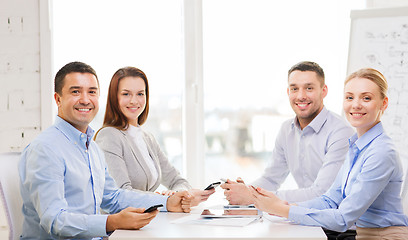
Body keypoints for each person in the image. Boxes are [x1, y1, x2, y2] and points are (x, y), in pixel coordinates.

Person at [18, 62, 192, 239]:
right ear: (58, 99)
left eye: (92, 92)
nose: (85, 99)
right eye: (75, 91)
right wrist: (112, 222)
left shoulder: (91, 148)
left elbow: (113, 197)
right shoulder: (45, 149)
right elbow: (55, 221)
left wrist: (167, 202)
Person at [250, 68, 408, 240]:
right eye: (349, 97)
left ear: (384, 103)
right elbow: (330, 200)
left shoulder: (381, 152)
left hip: (385, 237)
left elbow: (342, 219)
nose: (355, 104)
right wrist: (285, 205)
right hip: (363, 235)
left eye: (366, 98)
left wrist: (282, 209)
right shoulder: (357, 146)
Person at [221, 61, 354, 203]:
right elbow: (271, 179)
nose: (301, 96)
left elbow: (322, 193)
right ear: (288, 92)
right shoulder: (286, 130)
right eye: (294, 89)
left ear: (324, 91)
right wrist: (245, 191)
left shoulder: (341, 132)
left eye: (309, 88)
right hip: (306, 216)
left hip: (335, 221)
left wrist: (252, 197)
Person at [94, 66, 214, 205]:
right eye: (126, 94)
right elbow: (122, 194)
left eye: (140, 94)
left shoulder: (147, 138)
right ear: (114, 97)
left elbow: (177, 180)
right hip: (123, 225)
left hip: (148, 222)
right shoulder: (109, 136)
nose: (134, 101)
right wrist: (166, 200)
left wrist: (178, 194)